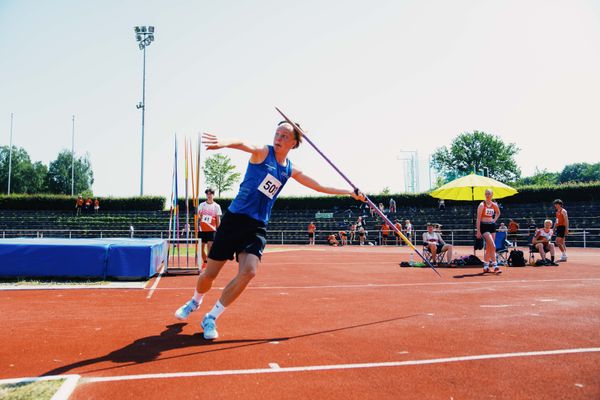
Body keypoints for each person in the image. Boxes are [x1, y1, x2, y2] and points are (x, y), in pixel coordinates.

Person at [174, 122, 365, 339]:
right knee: (210, 275)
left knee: (249, 272)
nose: (279, 138)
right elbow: (245, 144)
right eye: (277, 133)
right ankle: (195, 301)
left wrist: (350, 192)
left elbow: (319, 186)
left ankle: (211, 317)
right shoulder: (264, 152)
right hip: (234, 221)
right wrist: (224, 143)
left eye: (285, 136)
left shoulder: (289, 169)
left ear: (293, 143)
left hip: (256, 226)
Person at [476, 188, 501, 274]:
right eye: (486, 194)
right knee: (493, 246)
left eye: (489, 194)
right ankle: (495, 265)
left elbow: (498, 213)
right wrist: (478, 231)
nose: (487, 195)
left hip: (492, 226)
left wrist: (494, 220)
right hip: (484, 226)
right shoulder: (481, 205)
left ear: (492, 195)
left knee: (489, 247)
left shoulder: (494, 205)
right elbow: (478, 219)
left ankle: (486, 266)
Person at [197, 188, 222, 270]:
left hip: (212, 230)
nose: (209, 195)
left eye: (210, 194)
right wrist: (199, 217)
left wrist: (219, 230)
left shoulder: (216, 206)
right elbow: (198, 217)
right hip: (202, 230)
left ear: (213, 195)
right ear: (206, 195)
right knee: (200, 249)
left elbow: (218, 219)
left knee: (210, 248)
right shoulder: (201, 205)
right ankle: (205, 261)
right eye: (207, 194)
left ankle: (208, 265)